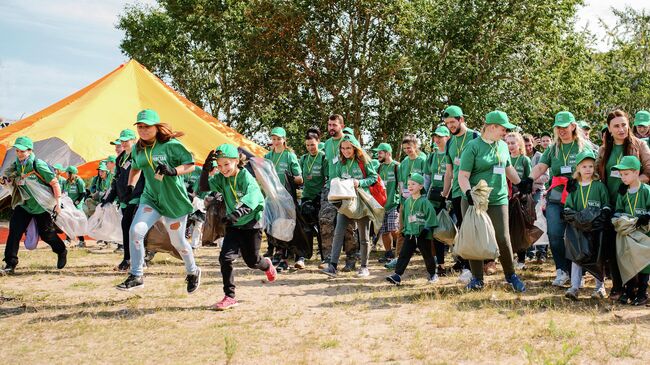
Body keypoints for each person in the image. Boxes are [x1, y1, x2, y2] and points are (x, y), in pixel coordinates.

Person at [115, 109, 201, 293]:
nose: (143, 130)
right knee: (136, 231)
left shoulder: (170, 145)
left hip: (174, 201)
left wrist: (173, 171)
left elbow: (191, 165)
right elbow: (136, 168)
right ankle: (136, 275)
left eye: (147, 126)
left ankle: (193, 271)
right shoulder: (139, 148)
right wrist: (131, 186)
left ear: (156, 127)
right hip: (151, 199)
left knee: (178, 243)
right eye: (140, 126)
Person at [458, 110, 529, 292]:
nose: (505, 133)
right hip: (475, 200)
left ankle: (511, 275)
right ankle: (477, 279)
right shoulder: (473, 146)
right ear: (492, 127)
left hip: (498, 199)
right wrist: (468, 194)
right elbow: (463, 176)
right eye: (503, 129)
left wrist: (521, 184)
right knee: (476, 238)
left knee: (503, 238)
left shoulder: (502, 146)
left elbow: (508, 168)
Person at [199, 144, 277, 310]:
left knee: (252, 261)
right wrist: (205, 171)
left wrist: (236, 213)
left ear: (236, 161)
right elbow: (204, 187)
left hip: (251, 225)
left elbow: (253, 199)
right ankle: (229, 296)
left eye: (226, 164)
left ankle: (267, 265)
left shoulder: (247, 178)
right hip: (234, 226)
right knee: (225, 258)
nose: (223, 169)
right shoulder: (221, 178)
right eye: (219, 166)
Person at [531, 111, 589, 287]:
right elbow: (541, 166)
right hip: (556, 196)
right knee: (554, 234)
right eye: (558, 127)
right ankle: (561, 270)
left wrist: (577, 178)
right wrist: (528, 179)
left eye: (565, 127)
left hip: (578, 197)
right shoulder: (553, 148)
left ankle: (579, 272)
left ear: (573, 126)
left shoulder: (583, 146)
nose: (561, 130)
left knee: (578, 235)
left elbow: (591, 167)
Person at [596, 109, 650, 298]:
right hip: (611, 205)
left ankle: (638, 287)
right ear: (609, 129)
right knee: (613, 247)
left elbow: (649, 171)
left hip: (633, 204)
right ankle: (619, 286)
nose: (621, 129)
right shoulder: (604, 150)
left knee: (633, 247)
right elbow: (597, 174)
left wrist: (632, 184)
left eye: (624, 125)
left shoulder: (640, 145)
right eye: (616, 126)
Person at [1, 136, 68, 274]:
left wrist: (58, 202)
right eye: (17, 150)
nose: (19, 153)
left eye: (22, 151)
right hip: (24, 205)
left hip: (41, 206)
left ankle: (61, 250)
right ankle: (10, 264)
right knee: (14, 232)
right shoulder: (16, 164)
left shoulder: (38, 164)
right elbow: (6, 175)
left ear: (30, 150)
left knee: (47, 235)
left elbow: (54, 183)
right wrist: (4, 180)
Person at [321, 134, 378, 278]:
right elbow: (339, 178)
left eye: (348, 148)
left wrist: (360, 183)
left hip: (362, 202)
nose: (346, 151)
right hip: (346, 202)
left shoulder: (364, 161)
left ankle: (364, 267)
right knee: (338, 232)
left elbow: (373, 178)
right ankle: (333, 266)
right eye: (343, 148)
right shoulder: (341, 163)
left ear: (354, 148)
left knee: (363, 236)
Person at [563, 150, 610, 300]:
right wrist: (574, 217)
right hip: (579, 229)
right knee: (577, 258)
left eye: (591, 166)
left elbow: (606, 204)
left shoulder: (599, 186)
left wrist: (603, 215)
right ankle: (574, 287)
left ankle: (600, 287)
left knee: (597, 257)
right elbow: (568, 207)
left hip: (596, 229)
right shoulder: (574, 187)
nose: (588, 169)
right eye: (584, 166)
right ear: (578, 168)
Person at [441, 105, 480, 282]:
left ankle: (484, 262)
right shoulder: (449, 142)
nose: (450, 125)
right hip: (457, 192)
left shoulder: (474, 136)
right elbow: (449, 172)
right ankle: (467, 267)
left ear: (461, 119)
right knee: (463, 229)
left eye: (452, 122)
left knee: (477, 228)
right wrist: (444, 193)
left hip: (474, 191)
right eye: (447, 123)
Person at [319, 114, 358, 271]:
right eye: (329, 125)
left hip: (346, 188)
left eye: (334, 125)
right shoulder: (327, 144)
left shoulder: (348, 142)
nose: (331, 128)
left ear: (342, 126)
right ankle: (328, 259)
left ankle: (351, 260)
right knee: (325, 221)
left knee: (348, 226)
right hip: (331, 187)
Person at [102, 129, 145, 271]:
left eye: (126, 140)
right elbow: (116, 180)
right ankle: (131, 258)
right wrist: (108, 198)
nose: (123, 143)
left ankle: (132, 259)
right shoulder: (120, 159)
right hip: (124, 199)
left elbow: (144, 177)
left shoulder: (139, 154)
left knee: (130, 226)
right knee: (127, 228)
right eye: (122, 141)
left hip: (137, 197)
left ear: (134, 140)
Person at [386, 173, 439, 285]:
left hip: (423, 235)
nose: (410, 186)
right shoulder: (407, 202)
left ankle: (433, 274)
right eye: (408, 184)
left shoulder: (425, 202)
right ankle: (397, 276)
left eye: (413, 184)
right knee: (404, 254)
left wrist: (427, 229)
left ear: (420, 187)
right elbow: (405, 217)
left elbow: (431, 216)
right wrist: (405, 230)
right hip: (410, 234)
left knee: (427, 255)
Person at [384, 134, 428, 270]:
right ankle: (398, 258)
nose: (407, 150)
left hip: (420, 201)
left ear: (416, 146)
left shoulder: (423, 160)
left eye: (409, 147)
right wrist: (403, 196)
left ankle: (432, 259)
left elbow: (427, 180)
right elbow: (401, 182)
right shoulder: (403, 163)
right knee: (403, 229)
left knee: (425, 230)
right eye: (404, 149)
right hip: (406, 201)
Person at [613, 155, 650, 306]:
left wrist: (647, 216)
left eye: (626, 174)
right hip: (629, 233)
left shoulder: (646, 190)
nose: (623, 178)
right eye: (621, 175)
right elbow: (619, 210)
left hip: (644, 233)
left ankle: (642, 291)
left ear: (636, 173)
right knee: (628, 260)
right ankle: (629, 290)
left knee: (645, 261)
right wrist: (617, 219)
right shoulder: (623, 192)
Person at [264, 126, 303, 271]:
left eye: (278, 139)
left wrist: (293, 179)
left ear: (284, 140)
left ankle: (284, 256)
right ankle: (277, 252)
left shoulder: (289, 155)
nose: (276, 142)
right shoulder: (268, 156)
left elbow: (299, 178)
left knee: (284, 225)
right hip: (271, 197)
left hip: (286, 197)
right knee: (272, 224)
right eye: (273, 139)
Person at [424, 125, 451, 275]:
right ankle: (440, 265)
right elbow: (427, 177)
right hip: (434, 196)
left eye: (440, 137)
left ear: (448, 137)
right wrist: (425, 197)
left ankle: (462, 261)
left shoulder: (452, 154)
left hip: (451, 196)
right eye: (435, 137)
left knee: (453, 229)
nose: (437, 139)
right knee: (438, 231)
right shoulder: (432, 156)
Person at [299, 127, 327, 266]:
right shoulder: (303, 159)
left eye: (313, 145)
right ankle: (302, 257)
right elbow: (299, 178)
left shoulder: (323, 157)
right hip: (306, 197)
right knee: (305, 228)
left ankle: (324, 258)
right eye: (308, 145)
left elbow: (327, 178)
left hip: (320, 197)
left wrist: (321, 195)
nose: (310, 147)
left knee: (322, 227)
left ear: (318, 142)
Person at [506, 131, 532, 270]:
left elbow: (529, 180)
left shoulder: (524, 160)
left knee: (521, 228)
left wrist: (522, 194)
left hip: (520, 198)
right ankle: (509, 257)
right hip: (507, 196)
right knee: (508, 228)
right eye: (508, 143)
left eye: (513, 143)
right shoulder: (505, 158)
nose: (510, 146)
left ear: (519, 144)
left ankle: (521, 260)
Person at [374, 143, 400, 264]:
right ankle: (388, 253)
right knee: (384, 231)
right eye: (378, 152)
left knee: (394, 229)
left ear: (388, 153)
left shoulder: (397, 167)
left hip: (394, 204)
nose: (378, 155)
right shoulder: (379, 168)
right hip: (381, 207)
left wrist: (402, 202)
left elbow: (402, 184)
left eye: (380, 152)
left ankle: (400, 253)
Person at [64, 165, 87, 247]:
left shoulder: (79, 181)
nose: (66, 174)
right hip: (69, 205)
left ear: (71, 173)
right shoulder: (67, 182)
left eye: (67, 172)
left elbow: (83, 193)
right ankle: (68, 240)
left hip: (77, 206)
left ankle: (82, 241)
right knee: (69, 222)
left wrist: (77, 202)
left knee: (77, 223)